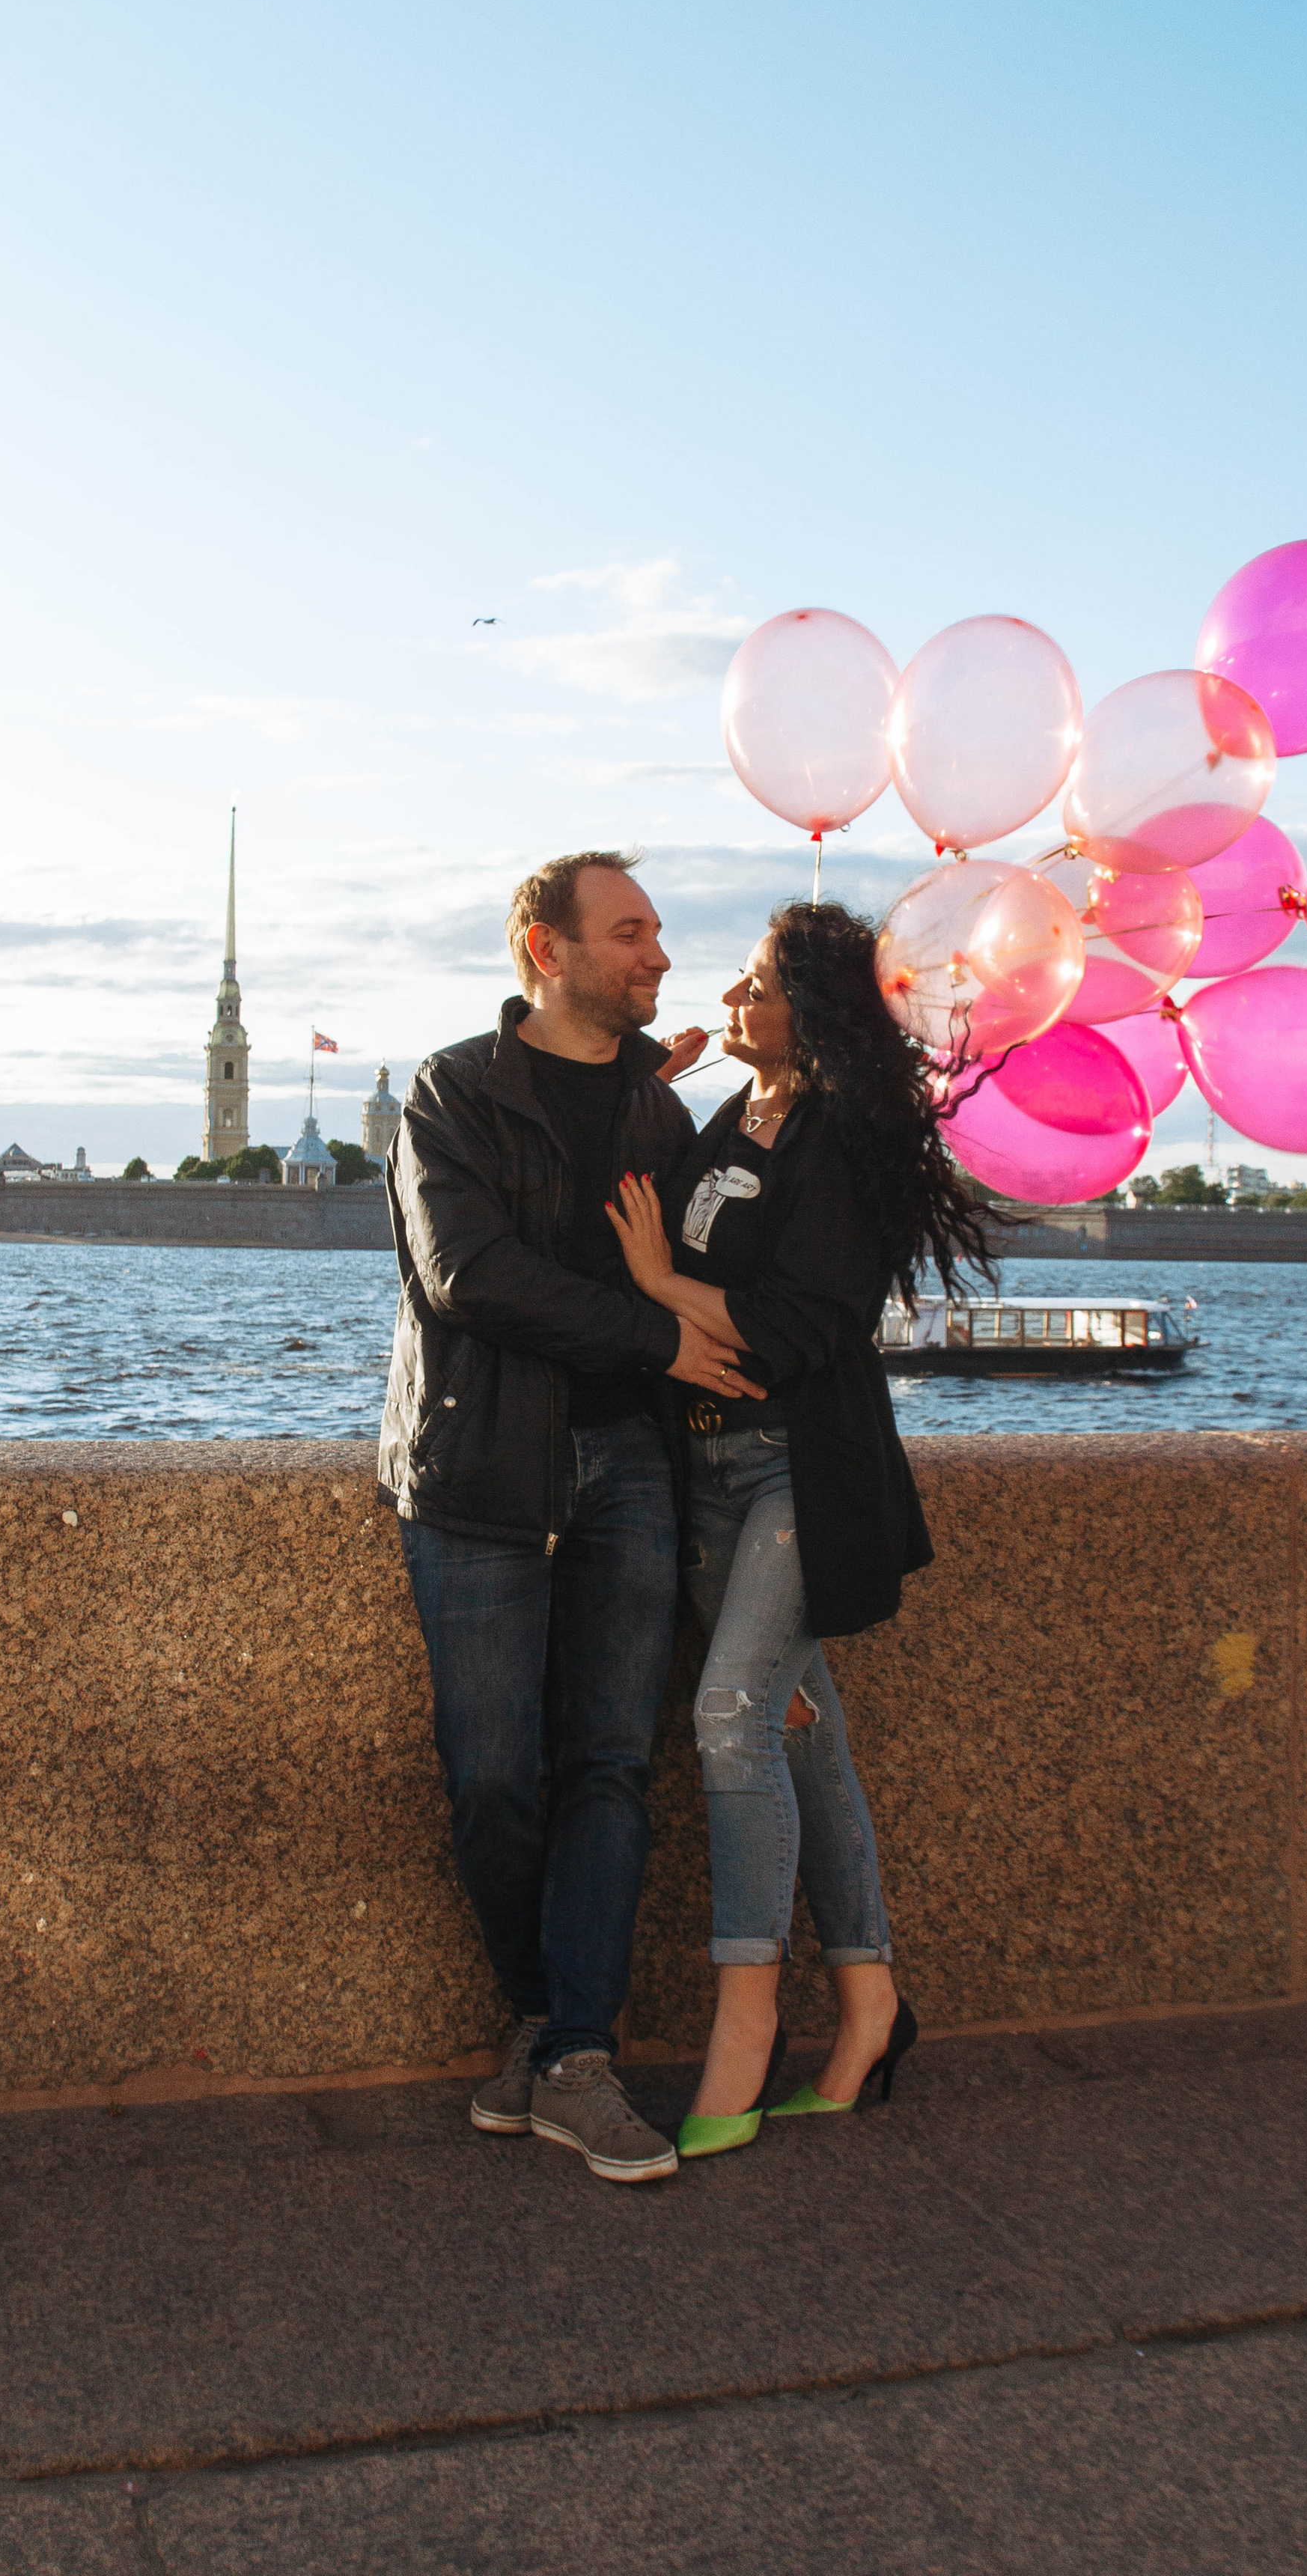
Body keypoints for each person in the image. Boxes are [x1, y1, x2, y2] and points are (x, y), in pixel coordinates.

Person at [380, 850, 764, 2184]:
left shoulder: (665, 1121)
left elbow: (729, 1282)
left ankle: (577, 2056)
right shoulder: (453, 1091)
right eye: (630, 934)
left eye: (657, 933)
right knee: (492, 1775)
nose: (658, 956)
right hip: (481, 1474)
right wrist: (647, 1339)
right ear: (545, 950)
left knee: (607, 1763)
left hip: (631, 1473)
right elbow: (468, 1276)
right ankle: (545, 2022)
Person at [605, 899, 990, 2157]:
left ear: (814, 1011)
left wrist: (670, 1291)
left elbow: (796, 1330)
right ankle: (871, 2001)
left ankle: (748, 2025)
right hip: (705, 1472)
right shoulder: (730, 1115)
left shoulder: (841, 1135)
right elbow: (620, 1229)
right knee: (799, 1736)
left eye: (755, 984)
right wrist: (640, 1092)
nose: (728, 1001)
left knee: (730, 1719)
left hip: (797, 1477)